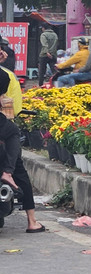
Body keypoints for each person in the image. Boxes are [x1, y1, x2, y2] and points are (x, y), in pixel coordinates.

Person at [0, 64, 45, 233]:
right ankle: (32, 221)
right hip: (5, 128)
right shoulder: (8, 75)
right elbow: (15, 109)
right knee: (20, 172)